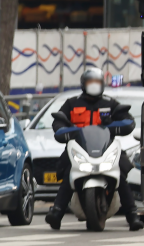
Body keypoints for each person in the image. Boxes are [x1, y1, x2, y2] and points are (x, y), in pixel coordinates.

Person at [45, 68, 144, 231]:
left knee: (121, 171)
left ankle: (132, 216)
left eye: (97, 82)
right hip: (79, 148)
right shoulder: (72, 102)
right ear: (83, 84)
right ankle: (57, 213)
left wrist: (113, 126)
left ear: (102, 84)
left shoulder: (110, 103)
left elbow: (127, 120)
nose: (93, 85)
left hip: (106, 147)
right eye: (90, 82)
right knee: (67, 170)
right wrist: (65, 130)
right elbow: (58, 123)